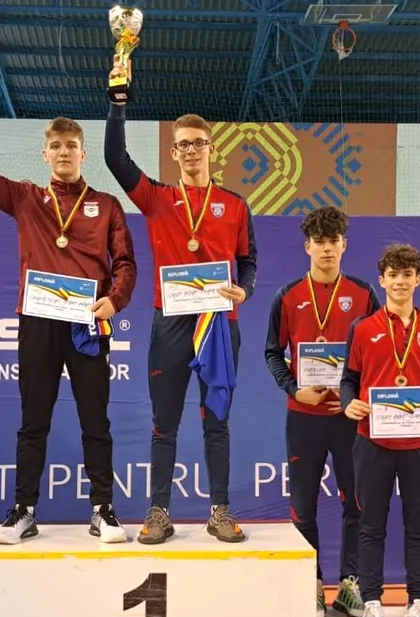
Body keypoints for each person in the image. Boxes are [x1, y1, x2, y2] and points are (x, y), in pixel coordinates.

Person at [0, 82, 137, 545]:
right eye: (55, 146)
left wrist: (114, 300)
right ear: (44, 154)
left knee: (95, 420)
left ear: (83, 153)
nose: (63, 152)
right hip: (37, 321)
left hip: (87, 323)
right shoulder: (26, 197)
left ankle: (103, 509)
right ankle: (24, 510)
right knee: (33, 419)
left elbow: (126, 263)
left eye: (71, 145)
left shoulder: (107, 205)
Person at [105, 60, 258, 545]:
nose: (192, 150)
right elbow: (115, 158)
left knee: (217, 422)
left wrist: (245, 289)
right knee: (164, 424)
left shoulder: (235, 205)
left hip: (218, 324)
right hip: (170, 322)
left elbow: (248, 261)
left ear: (212, 149)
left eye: (199, 143)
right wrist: (118, 102)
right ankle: (159, 512)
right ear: (174, 152)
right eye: (184, 144)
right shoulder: (156, 198)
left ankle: (219, 511)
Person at [339, 243, 420, 617]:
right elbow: (349, 379)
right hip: (373, 441)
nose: (400, 282)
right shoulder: (363, 327)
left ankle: (416, 603)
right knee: (371, 526)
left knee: (417, 528)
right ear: (382, 280)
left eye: (407, 275)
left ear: (417, 280)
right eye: (393, 275)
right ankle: (372, 602)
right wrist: (348, 402)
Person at [263, 205, 378, 617]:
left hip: (349, 419)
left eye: (333, 241)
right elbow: (272, 352)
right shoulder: (288, 296)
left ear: (344, 245)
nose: (326, 249)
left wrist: (354, 397)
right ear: (307, 247)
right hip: (304, 415)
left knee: (356, 503)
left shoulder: (364, 294)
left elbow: (377, 353)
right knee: (303, 504)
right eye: (319, 242)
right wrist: (295, 389)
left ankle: (350, 584)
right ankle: (310, 583)